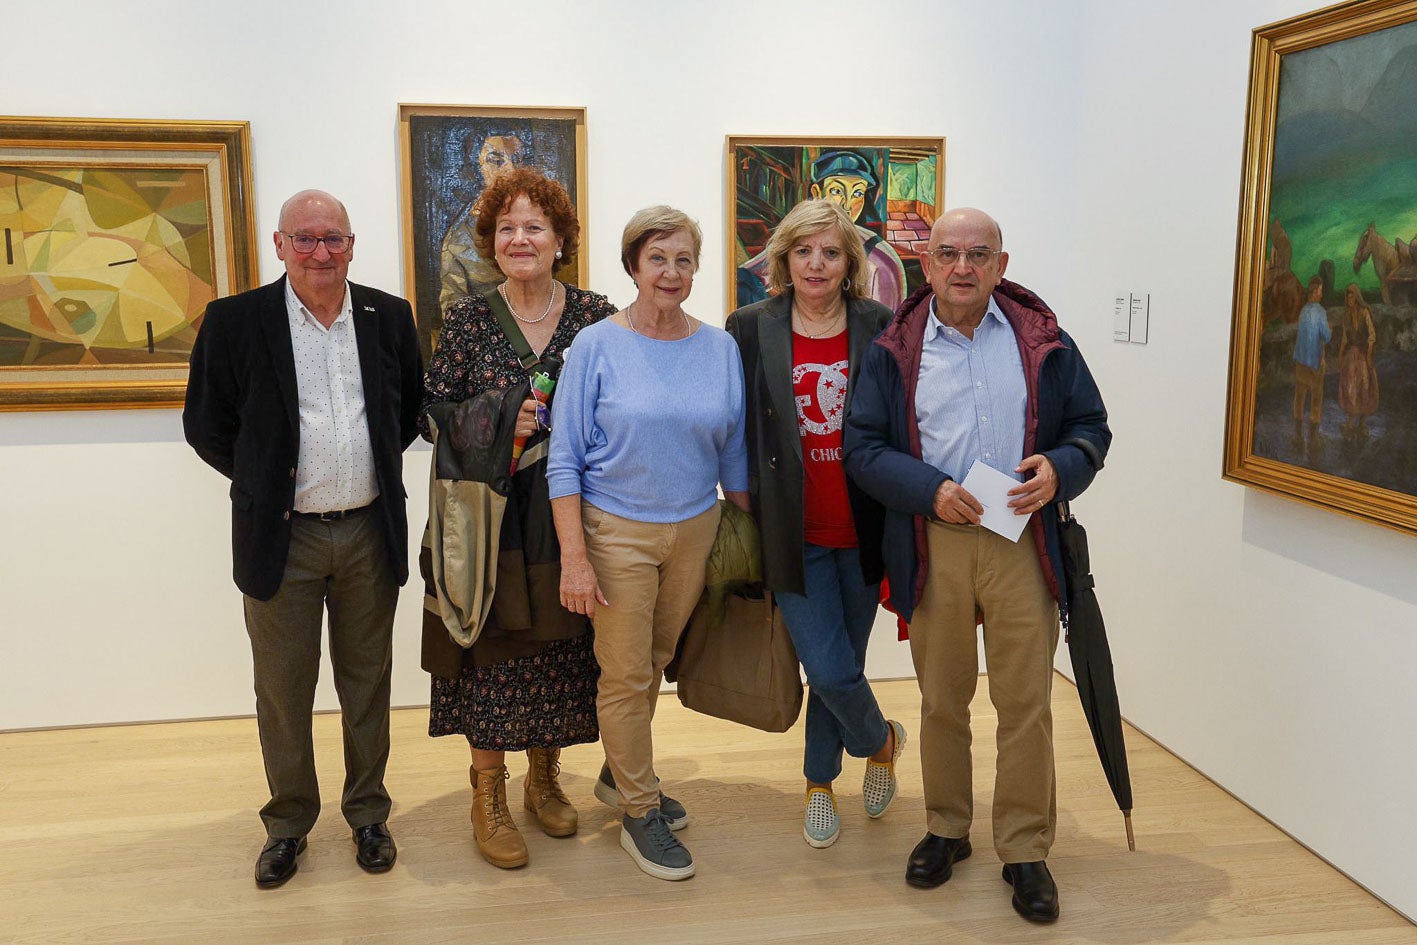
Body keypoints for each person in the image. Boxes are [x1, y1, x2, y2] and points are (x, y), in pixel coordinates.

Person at [844, 207, 1110, 923]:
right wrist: (926, 488)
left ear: (1000, 264)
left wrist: (1058, 469)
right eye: (947, 253)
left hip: (1022, 540)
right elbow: (862, 447)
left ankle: (1024, 847)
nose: (962, 266)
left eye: (978, 253)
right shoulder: (892, 347)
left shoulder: (1043, 342)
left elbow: (1092, 426)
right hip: (935, 540)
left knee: (1025, 701)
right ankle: (946, 827)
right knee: (941, 699)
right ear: (924, 265)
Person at [183, 189, 422, 889]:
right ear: (280, 245)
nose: (321, 252)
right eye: (306, 238)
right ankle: (288, 825)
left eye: (335, 239)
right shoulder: (235, 321)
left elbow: (406, 411)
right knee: (283, 691)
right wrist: (264, 481)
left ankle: (368, 814)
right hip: (281, 541)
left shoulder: (388, 316)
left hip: (367, 532)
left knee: (367, 683)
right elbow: (206, 423)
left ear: (353, 245)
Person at [420, 167, 615, 869]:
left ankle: (543, 775)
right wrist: (502, 413)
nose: (520, 237)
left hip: (570, 517)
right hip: (488, 518)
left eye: (535, 225)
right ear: (490, 241)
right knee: (491, 658)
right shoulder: (470, 321)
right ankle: (488, 794)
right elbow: (432, 412)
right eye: (506, 227)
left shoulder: (596, 315)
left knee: (560, 649)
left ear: (560, 237)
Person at [547, 206, 750, 881]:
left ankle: (619, 769)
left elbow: (735, 452)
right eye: (657, 258)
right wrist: (574, 556)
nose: (671, 271)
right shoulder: (596, 345)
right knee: (626, 672)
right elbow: (564, 459)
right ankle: (638, 809)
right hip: (616, 533)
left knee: (658, 658)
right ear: (633, 265)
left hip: (695, 527)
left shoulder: (718, 347)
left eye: (684, 259)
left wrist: (758, 532)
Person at [726, 199, 902, 850]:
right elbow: (736, 425)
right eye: (803, 250)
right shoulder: (749, 326)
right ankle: (880, 742)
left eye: (829, 252)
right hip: (790, 531)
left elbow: (898, 425)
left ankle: (819, 782)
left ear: (849, 262)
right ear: (783, 259)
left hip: (862, 526)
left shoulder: (880, 324)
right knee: (826, 669)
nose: (815, 263)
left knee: (844, 664)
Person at [739, 150, 907, 310]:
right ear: (816, 193)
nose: (847, 204)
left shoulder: (879, 258)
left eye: (857, 194)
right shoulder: (795, 236)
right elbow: (753, 271)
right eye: (836, 191)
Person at [439, 133, 524, 310]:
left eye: (517, 159)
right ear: (480, 167)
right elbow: (452, 310)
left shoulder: (549, 219)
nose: (511, 169)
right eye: (496, 160)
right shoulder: (459, 239)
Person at [1292, 276, 1331, 442]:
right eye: (1321, 291)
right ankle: (1314, 429)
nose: (1321, 294)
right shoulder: (1321, 312)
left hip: (1300, 359)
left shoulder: (1303, 310)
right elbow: (1326, 337)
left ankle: (1298, 425)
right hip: (1314, 361)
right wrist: (1329, 328)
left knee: (1300, 394)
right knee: (1316, 395)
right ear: (1315, 292)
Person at [1337, 282, 1378, 437]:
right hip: (1351, 356)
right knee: (1349, 387)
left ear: (1357, 297)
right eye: (1348, 297)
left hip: (1362, 354)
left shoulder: (1364, 312)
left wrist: (1368, 355)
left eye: (1352, 297)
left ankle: (1362, 423)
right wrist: (1340, 355)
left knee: (1365, 387)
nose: (1350, 300)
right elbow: (1345, 338)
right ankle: (1349, 422)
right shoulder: (1346, 315)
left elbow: (1372, 335)